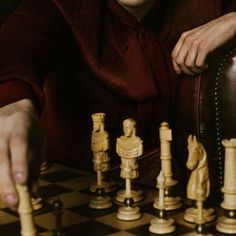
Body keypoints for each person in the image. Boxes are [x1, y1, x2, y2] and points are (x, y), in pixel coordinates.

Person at [0, 0, 235, 211]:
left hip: (181, 199)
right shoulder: (61, 6)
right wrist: (13, 105)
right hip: (79, 195)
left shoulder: (205, 5)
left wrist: (232, 21)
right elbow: (20, 42)